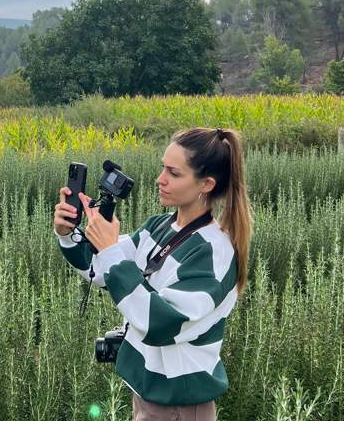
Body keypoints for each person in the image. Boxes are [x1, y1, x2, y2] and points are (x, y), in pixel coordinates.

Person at [54, 128, 253, 421]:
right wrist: (69, 235)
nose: (160, 179)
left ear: (206, 184)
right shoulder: (159, 226)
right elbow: (101, 271)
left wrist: (109, 249)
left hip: (178, 404)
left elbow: (160, 323)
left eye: (174, 172)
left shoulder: (212, 252)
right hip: (147, 391)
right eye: (162, 167)